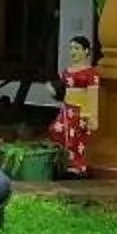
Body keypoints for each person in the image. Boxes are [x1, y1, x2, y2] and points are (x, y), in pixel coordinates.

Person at [48, 34, 100, 177]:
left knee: (75, 140)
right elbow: (60, 90)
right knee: (56, 131)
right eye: (71, 48)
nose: (73, 52)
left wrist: (92, 116)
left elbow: (92, 96)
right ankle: (64, 164)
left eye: (77, 48)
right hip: (66, 110)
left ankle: (77, 168)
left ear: (86, 51)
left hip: (81, 111)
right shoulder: (66, 72)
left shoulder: (91, 74)